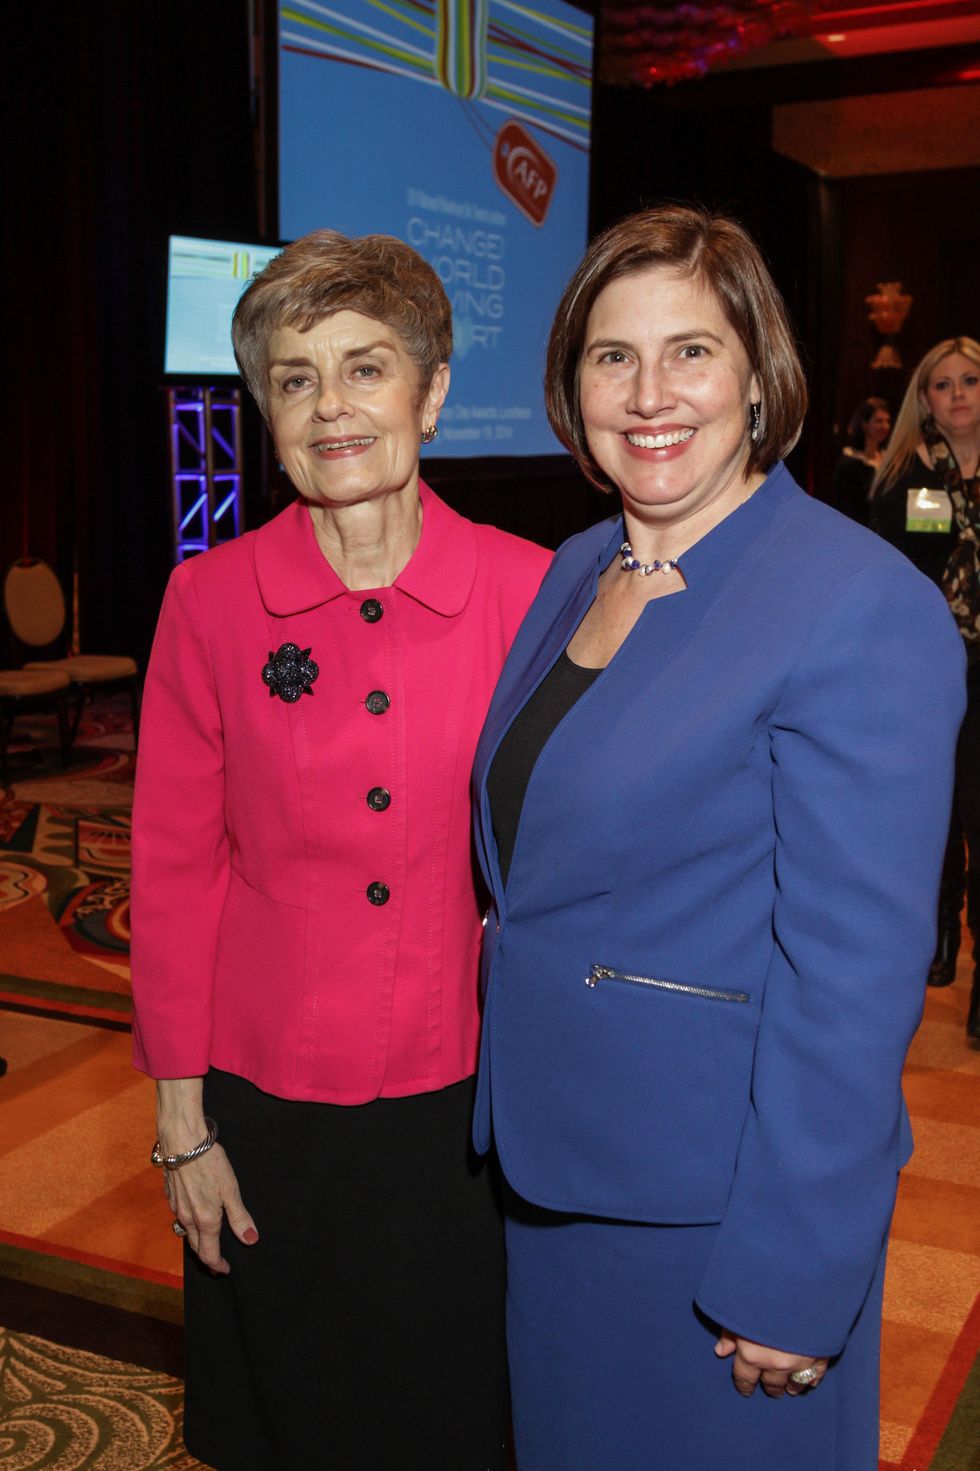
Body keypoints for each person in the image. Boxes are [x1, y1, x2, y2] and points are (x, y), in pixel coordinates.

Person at [470, 207, 964, 1471]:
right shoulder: (579, 563)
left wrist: (792, 1272)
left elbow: (849, 986)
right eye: (609, 355)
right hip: (555, 1177)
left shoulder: (857, 605)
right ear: (569, 384)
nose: (647, 393)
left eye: (689, 350)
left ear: (759, 375)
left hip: (713, 1216)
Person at [130, 229, 550, 1470]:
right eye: (295, 377)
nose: (332, 406)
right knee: (288, 1412)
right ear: (264, 409)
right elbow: (170, 870)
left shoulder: (536, 594)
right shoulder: (207, 604)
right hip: (265, 1102)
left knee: (454, 1410)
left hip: (470, 1099)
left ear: (430, 388)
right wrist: (181, 1125)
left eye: (367, 368)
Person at [871, 337, 980, 1035]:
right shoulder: (907, 476)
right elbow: (893, 572)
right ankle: (941, 926)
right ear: (925, 399)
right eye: (943, 384)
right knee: (943, 808)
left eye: (971, 380)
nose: (959, 394)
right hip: (938, 661)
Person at [830, 396, 891, 524]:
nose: (885, 426)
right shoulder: (849, 464)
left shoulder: (888, 458)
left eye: (887, 421)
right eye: (879, 421)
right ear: (864, 424)